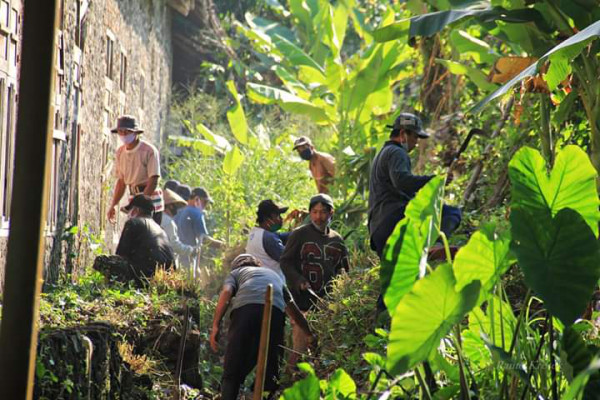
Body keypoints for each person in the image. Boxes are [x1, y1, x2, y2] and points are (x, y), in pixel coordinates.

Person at [210, 254, 313, 400]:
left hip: (245, 312)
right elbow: (294, 311)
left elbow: (226, 292)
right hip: (275, 313)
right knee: (271, 367)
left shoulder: (235, 273)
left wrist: (215, 325)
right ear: (258, 265)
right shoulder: (274, 276)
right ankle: (263, 394)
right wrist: (309, 334)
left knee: (233, 366)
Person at [368, 112, 462, 259]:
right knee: (452, 213)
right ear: (403, 134)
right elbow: (402, 181)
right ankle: (435, 245)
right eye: (415, 137)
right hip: (393, 220)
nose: (416, 142)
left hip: (378, 230)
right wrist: (434, 180)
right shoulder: (397, 152)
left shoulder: (383, 153)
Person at [280, 194, 349, 367]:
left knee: (324, 352)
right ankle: (290, 383)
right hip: (302, 303)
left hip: (327, 304)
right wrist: (298, 280)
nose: (319, 217)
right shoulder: (299, 235)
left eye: (323, 212)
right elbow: (285, 261)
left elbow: (344, 270)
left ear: (331, 212)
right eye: (315, 212)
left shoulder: (337, 240)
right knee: (300, 348)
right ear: (310, 213)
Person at [94, 195, 174, 286]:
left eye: (129, 211)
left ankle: (114, 289)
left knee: (101, 260)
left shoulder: (133, 223)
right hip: (164, 279)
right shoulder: (161, 230)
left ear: (136, 210)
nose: (128, 215)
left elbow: (121, 255)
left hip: (143, 276)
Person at [107, 115, 164, 225]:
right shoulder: (120, 152)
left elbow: (154, 179)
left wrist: (141, 203)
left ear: (136, 133)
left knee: (150, 236)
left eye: (127, 131)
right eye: (121, 132)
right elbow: (121, 182)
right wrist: (113, 205)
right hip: (134, 196)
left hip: (150, 198)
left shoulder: (149, 151)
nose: (123, 135)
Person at [176, 187, 224, 277]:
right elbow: (205, 240)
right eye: (204, 202)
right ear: (196, 199)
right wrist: (224, 246)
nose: (205, 206)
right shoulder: (196, 213)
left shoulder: (179, 211)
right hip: (188, 260)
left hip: (176, 259)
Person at [246, 200, 290, 280]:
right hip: (271, 285)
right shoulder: (269, 238)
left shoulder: (255, 233)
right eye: (277, 215)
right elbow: (288, 259)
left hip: (258, 281)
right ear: (267, 219)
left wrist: (301, 231)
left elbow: (284, 236)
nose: (281, 219)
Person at [160, 188, 198, 271]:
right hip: (166, 263)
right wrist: (190, 250)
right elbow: (174, 245)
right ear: (170, 206)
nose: (177, 209)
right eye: (176, 206)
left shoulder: (157, 218)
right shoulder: (168, 222)